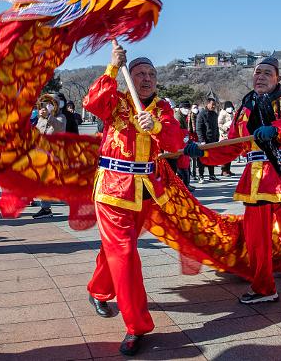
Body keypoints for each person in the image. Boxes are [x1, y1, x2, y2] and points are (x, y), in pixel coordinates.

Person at [185, 56, 281, 337]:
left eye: (267, 72)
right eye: (257, 72)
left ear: (278, 78)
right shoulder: (245, 107)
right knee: (256, 241)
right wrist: (203, 152)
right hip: (256, 180)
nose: (260, 76)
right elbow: (232, 144)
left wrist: (278, 130)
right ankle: (263, 288)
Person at [83, 44, 182, 356]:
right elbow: (93, 102)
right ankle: (137, 326)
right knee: (125, 253)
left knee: (116, 250)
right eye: (140, 73)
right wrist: (113, 67)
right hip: (113, 188)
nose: (147, 78)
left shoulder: (162, 108)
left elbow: (176, 141)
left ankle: (98, 289)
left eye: (152, 73)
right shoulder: (119, 99)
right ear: (131, 77)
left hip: (145, 189)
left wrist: (158, 128)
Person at [33, 96, 66, 219]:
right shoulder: (41, 118)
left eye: (48, 105)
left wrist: (48, 116)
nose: (45, 107)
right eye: (44, 105)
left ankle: (46, 208)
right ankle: (46, 207)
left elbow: (59, 127)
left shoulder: (61, 117)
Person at [196, 97, 219, 182]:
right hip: (204, 140)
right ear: (207, 104)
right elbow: (199, 128)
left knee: (211, 158)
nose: (213, 106)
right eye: (212, 104)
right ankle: (201, 176)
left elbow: (216, 127)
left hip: (212, 140)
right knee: (202, 158)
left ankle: (212, 175)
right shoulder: (201, 114)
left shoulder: (215, 114)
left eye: (214, 105)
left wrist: (217, 138)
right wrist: (202, 140)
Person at [173, 101, 195, 190]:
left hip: (184, 141)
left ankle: (186, 184)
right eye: (186, 108)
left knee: (185, 165)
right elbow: (178, 131)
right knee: (182, 166)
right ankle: (185, 185)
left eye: (188, 108)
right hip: (179, 143)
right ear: (181, 108)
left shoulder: (182, 116)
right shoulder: (177, 117)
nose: (187, 110)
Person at [217, 101, 235, 176]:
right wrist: (225, 128)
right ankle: (223, 170)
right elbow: (219, 124)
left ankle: (228, 169)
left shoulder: (233, 113)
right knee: (224, 153)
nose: (230, 108)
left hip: (231, 135)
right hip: (224, 135)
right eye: (228, 107)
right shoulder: (222, 113)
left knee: (230, 153)